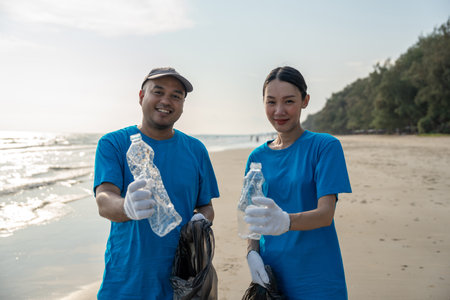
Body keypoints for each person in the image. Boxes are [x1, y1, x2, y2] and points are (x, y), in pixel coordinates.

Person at [93, 67, 220, 299]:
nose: (166, 101)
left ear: (182, 104)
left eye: (176, 96)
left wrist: (201, 221)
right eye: (158, 92)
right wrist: (126, 207)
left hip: (184, 284)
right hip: (127, 284)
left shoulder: (196, 150)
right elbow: (103, 199)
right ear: (142, 97)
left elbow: (206, 206)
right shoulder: (114, 144)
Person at [243, 66, 352, 299]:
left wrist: (286, 221)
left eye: (289, 101)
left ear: (305, 101)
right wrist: (252, 253)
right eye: (271, 102)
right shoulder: (256, 158)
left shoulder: (325, 147)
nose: (279, 111)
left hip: (317, 277)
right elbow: (254, 217)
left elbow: (325, 214)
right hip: (272, 277)